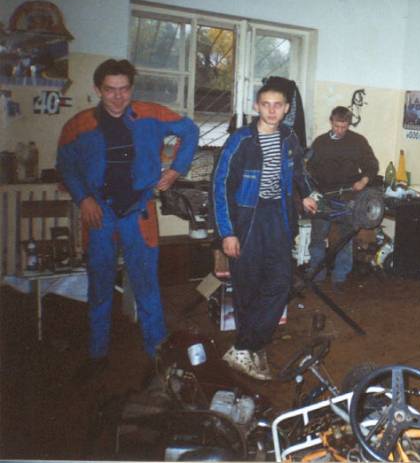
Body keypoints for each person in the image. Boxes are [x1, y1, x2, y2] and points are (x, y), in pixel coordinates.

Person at [57, 59, 199, 379]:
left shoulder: (151, 114)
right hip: (100, 214)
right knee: (100, 286)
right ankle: (98, 355)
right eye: (110, 90)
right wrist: (84, 198)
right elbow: (66, 163)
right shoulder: (79, 124)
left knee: (147, 285)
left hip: (139, 212)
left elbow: (190, 130)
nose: (118, 97)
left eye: (124, 89)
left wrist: (176, 170)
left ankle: (157, 354)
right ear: (98, 89)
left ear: (131, 89)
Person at [212, 78, 317, 380]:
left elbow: (298, 171)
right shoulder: (241, 140)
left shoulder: (289, 138)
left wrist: (307, 194)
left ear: (286, 109)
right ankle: (250, 347)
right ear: (256, 106)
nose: (272, 110)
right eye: (266, 104)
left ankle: (245, 346)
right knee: (247, 287)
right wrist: (227, 232)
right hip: (247, 219)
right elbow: (220, 186)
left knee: (281, 282)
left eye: (277, 105)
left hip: (277, 216)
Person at [306, 106, 378, 292]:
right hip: (324, 195)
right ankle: (316, 274)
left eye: (344, 127)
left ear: (348, 124)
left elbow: (372, 164)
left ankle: (340, 277)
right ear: (331, 122)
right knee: (318, 236)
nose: (340, 130)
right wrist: (312, 191)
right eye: (337, 126)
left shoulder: (358, 141)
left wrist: (363, 180)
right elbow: (310, 169)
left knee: (345, 237)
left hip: (347, 196)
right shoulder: (320, 143)